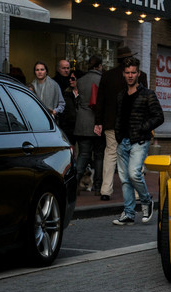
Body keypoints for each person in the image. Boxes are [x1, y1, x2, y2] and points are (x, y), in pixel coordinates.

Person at [112, 56, 164, 226]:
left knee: (134, 173)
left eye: (133, 72)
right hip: (123, 141)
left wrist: (143, 128)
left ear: (138, 73)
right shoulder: (120, 95)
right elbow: (118, 117)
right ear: (123, 74)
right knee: (125, 179)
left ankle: (146, 200)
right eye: (127, 73)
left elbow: (159, 117)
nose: (130, 75)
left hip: (139, 141)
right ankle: (128, 213)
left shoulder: (148, 94)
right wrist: (118, 135)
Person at [94, 46, 149, 201]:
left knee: (110, 154)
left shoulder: (107, 76)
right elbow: (144, 100)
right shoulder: (141, 75)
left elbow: (100, 101)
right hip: (133, 123)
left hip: (111, 122)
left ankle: (106, 190)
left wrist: (99, 121)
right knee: (135, 155)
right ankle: (138, 192)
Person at [75, 56, 104, 196]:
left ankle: (74, 183)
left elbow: (77, 101)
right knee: (99, 156)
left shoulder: (80, 81)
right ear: (99, 66)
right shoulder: (102, 80)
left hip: (82, 122)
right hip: (97, 122)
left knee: (83, 154)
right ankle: (98, 187)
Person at [59, 69, 83, 153]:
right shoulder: (66, 93)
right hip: (69, 128)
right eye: (70, 78)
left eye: (73, 79)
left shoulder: (84, 94)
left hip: (82, 128)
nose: (70, 80)